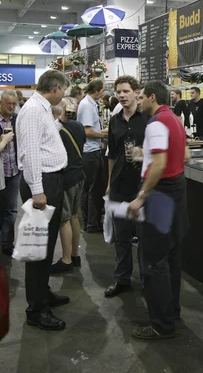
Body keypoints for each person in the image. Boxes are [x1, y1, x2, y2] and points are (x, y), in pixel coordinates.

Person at [128, 81, 191, 340]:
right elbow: (185, 156)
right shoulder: (174, 119)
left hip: (160, 195)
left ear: (152, 97)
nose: (139, 101)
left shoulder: (155, 123)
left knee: (153, 262)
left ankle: (161, 325)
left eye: (141, 97)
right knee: (171, 258)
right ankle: (171, 312)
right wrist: (147, 154)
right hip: (177, 191)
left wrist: (141, 197)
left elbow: (161, 163)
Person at [16, 70, 70, 331]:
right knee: (38, 248)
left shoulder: (42, 108)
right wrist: (37, 191)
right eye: (65, 90)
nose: (65, 95)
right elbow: (30, 153)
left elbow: (44, 140)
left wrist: (59, 121)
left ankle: (42, 292)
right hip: (42, 184)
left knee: (46, 246)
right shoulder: (33, 110)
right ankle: (36, 309)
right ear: (56, 88)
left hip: (50, 181)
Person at [104, 76, 148, 298]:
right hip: (120, 185)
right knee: (121, 237)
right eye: (118, 92)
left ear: (136, 92)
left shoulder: (148, 119)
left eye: (125, 91)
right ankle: (122, 278)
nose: (121, 95)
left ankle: (147, 280)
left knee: (144, 236)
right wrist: (110, 183)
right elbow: (111, 154)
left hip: (142, 186)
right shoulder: (115, 121)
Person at [50, 98, 86, 274]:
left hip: (66, 177)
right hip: (80, 175)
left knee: (64, 219)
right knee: (74, 216)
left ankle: (66, 260)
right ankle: (75, 255)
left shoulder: (57, 128)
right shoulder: (79, 126)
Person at [77, 79, 108, 233]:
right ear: (96, 90)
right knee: (93, 189)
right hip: (89, 153)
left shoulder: (89, 104)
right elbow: (87, 131)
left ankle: (89, 221)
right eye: (103, 90)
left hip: (91, 150)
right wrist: (103, 134)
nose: (104, 92)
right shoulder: (87, 105)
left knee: (89, 188)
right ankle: (92, 223)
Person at [0, 90, 19, 256]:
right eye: (9, 103)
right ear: (1, 103)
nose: (12, 107)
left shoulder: (17, 120)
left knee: (11, 211)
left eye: (14, 103)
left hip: (14, 172)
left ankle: (7, 243)